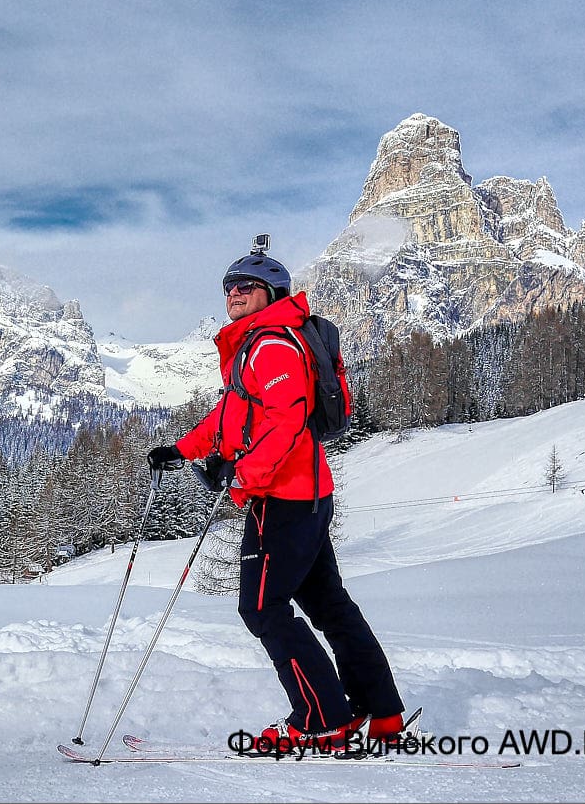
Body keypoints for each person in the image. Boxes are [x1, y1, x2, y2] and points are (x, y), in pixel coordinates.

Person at [147, 248, 404, 752]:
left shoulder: (272, 346)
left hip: (283, 500)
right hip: (303, 496)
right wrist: (182, 450)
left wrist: (239, 477)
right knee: (329, 605)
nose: (234, 293)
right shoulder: (255, 346)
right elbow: (232, 418)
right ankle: (380, 710)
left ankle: (323, 719)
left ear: (271, 293)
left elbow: (286, 423)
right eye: (229, 287)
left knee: (262, 609)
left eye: (246, 286)